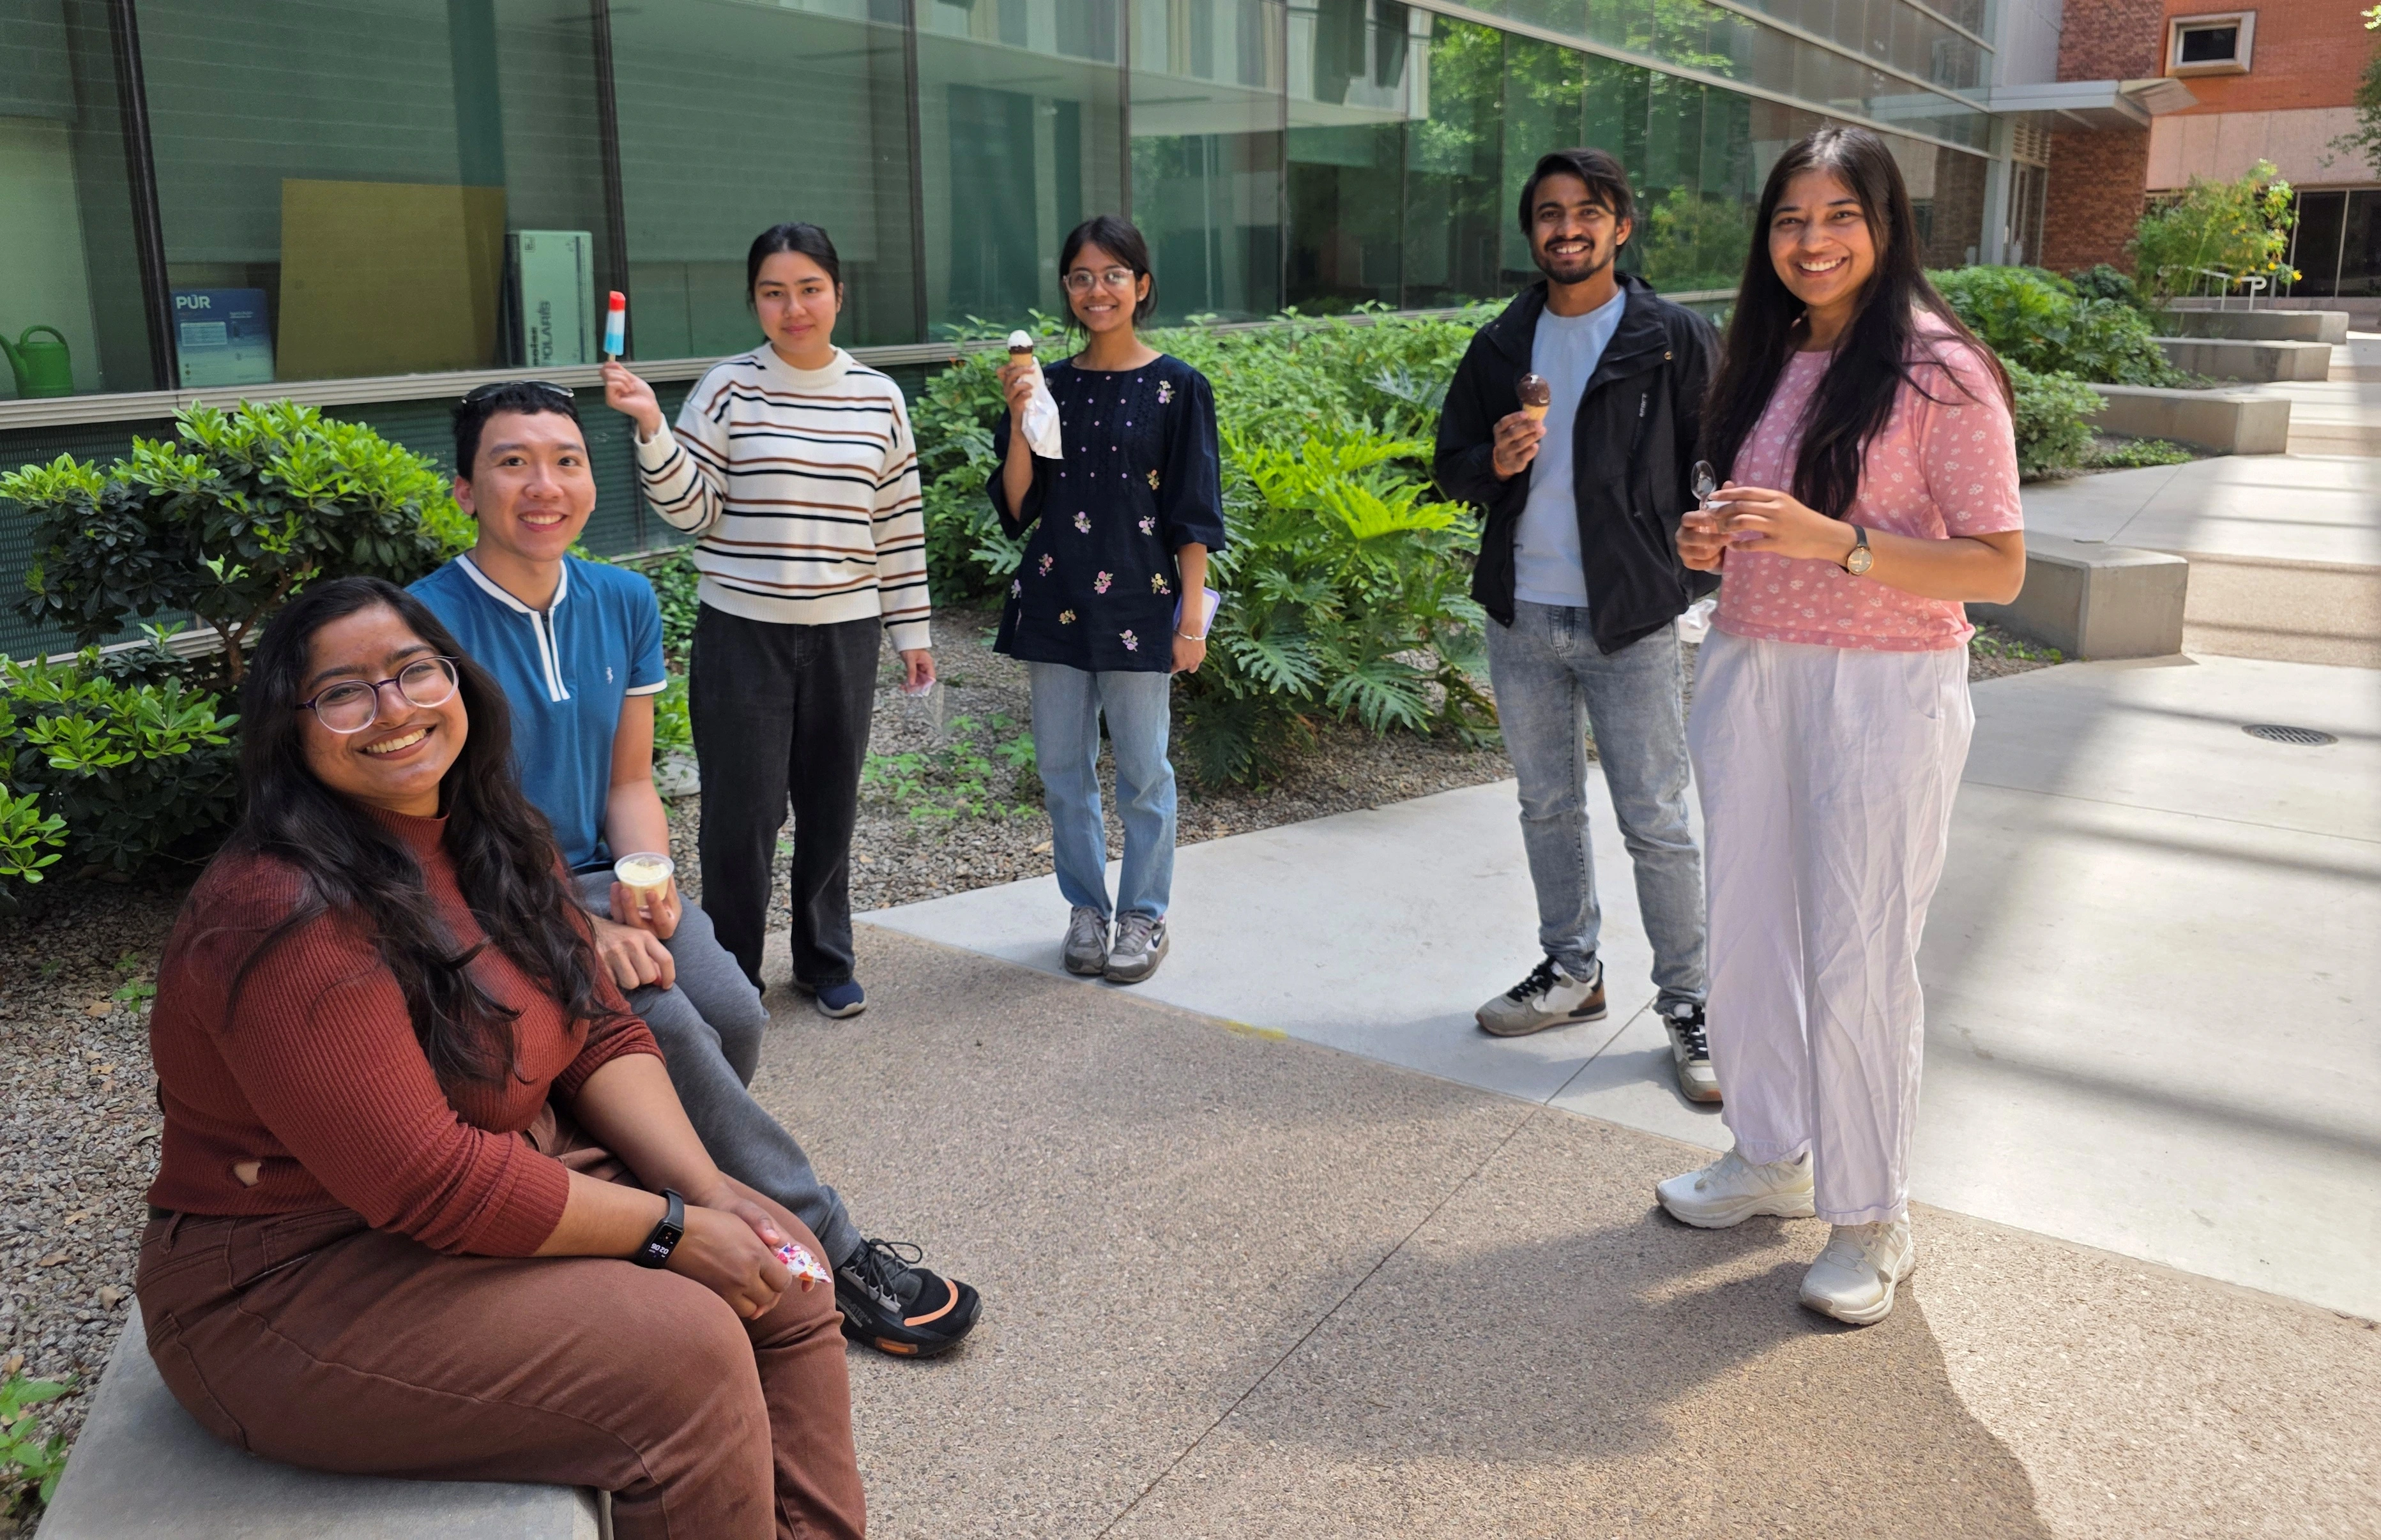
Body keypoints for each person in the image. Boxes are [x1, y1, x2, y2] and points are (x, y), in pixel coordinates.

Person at [137, 577, 865, 1539]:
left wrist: (712, 1193)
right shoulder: (279, 912)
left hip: (491, 1182)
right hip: (295, 1281)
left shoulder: (488, 832)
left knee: (790, 1269)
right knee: (686, 1357)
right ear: (292, 730)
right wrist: (671, 1230)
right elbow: (427, 1180)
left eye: (413, 672)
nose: (393, 709)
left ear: (458, 683)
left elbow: (598, 1022)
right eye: (345, 692)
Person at [413, 380, 980, 1359]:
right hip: (490, 891)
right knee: (667, 1023)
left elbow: (630, 778)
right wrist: (583, 930)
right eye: (512, 463)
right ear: (464, 487)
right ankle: (826, 1246)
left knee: (737, 1011)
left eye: (566, 461)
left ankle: (664, 1185)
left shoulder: (624, 600)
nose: (543, 485)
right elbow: (444, 831)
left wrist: (649, 876)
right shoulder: (426, 625)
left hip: (600, 881)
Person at [1654, 125, 2025, 1325]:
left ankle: (1871, 1215)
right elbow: (1728, 511)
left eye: (1836, 218)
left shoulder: (1938, 367)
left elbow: (1999, 567)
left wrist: (1836, 541)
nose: (1809, 243)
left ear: (1883, 226)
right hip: (1753, 664)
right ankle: (1769, 1155)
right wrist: (1700, 539)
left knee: (1859, 948)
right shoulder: (1763, 357)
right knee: (1748, 925)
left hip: (1883, 683)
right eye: (1787, 220)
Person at [1432, 148, 1722, 1103]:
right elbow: (1452, 468)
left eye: (1587, 211)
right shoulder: (1500, 345)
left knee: (1656, 820)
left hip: (1629, 615)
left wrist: (1692, 555)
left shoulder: (1672, 338)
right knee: (1546, 805)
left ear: (1621, 226)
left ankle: (1692, 1002)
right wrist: (1496, 459)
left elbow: (1714, 465)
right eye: (1550, 214)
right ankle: (1573, 971)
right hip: (1522, 612)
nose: (1568, 228)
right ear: (1533, 234)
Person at [607, 222, 930, 1020]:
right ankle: (731, 974)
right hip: (740, 633)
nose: (794, 308)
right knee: (739, 815)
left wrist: (911, 633)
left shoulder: (879, 396)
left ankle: (824, 961)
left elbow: (898, 522)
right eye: (774, 293)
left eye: (809, 289)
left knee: (830, 803)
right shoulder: (727, 388)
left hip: (846, 633)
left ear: (837, 294)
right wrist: (651, 426)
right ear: (754, 301)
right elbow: (691, 508)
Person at [989, 215, 1224, 984]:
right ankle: (1085, 908)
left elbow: (1192, 510)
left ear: (1141, 285)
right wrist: (1020, 419)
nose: (1098, 290)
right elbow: (1018, 506)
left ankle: (1144, 916)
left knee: (1143, 772)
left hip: (1141, 600)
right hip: (1055, 594)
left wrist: (1191, 617)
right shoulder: (1046, 383)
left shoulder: (1179, 386)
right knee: (1062, 768)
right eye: (1083, 277)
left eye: (1114, 275)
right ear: (1067, 289)